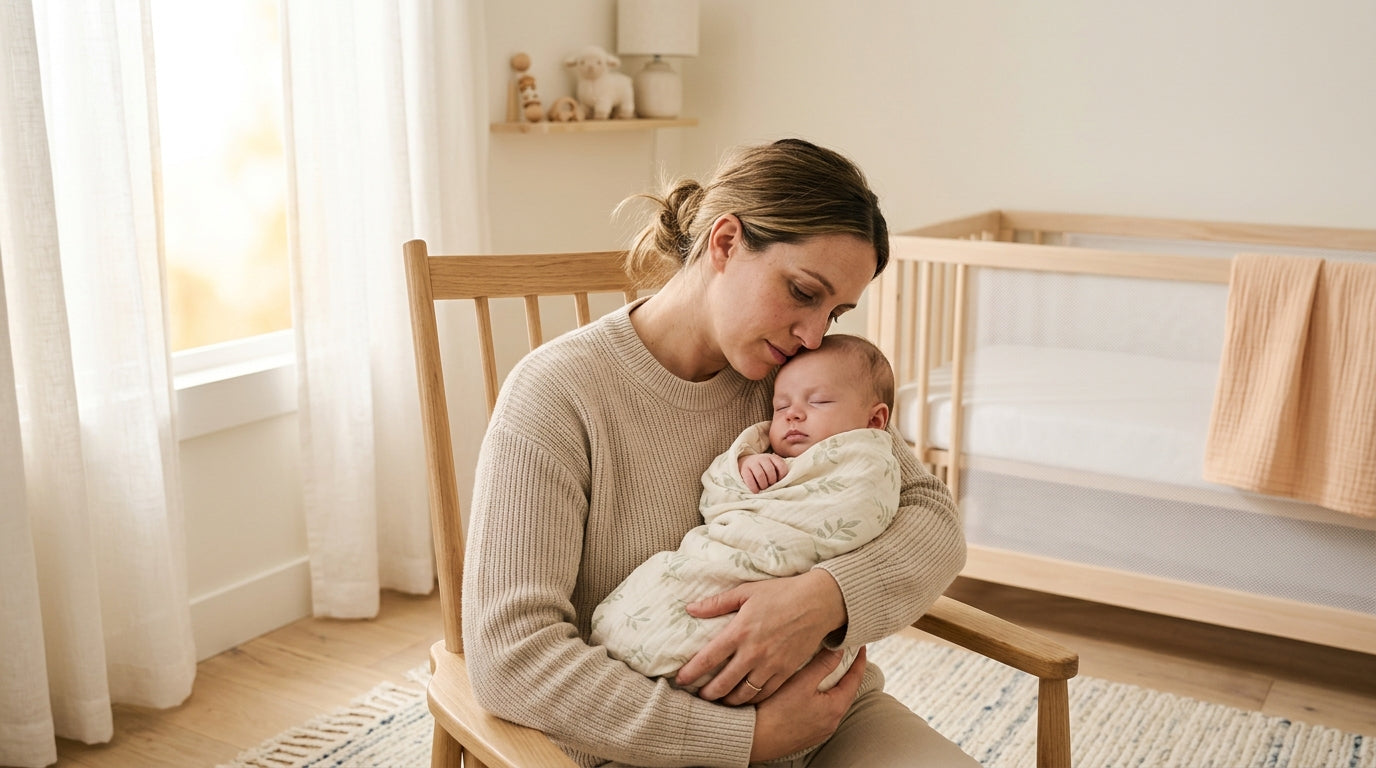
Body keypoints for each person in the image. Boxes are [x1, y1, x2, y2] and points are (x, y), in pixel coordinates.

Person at [463, 138, 975, 767]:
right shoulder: (557, 393)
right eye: (803, 292)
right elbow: (513, 655)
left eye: (837, 311)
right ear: (726, 242)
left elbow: (933, 518)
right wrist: (745, 739)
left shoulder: (795, 380)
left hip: (825, 719)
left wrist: (823, 600)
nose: (815, 334)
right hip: (649, 742)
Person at [590, 335, 901, 702]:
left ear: (875, 420)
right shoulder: (564, 389)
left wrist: (826, 597)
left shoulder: (864, 456)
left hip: (818, 691)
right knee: (664, 599)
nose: (793, 414)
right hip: (647, 712)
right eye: (780, 406)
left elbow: (910, 518)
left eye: (817, 402)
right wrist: (742, 468)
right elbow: (718, 501)